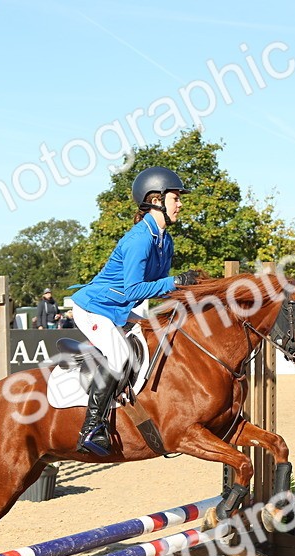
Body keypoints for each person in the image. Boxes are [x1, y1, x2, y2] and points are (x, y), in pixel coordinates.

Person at [68, 166, 198, 456]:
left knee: (156, 334)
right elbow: (134, 290)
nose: (180, 204)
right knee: (120, 354)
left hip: (118, 307)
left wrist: (190, 294)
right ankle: (91, 427)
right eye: (176, 198)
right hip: (94, 307)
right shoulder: (139, 239)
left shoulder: (165, 240)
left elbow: (160, 288)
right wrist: (174, 280)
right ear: (156, 200)